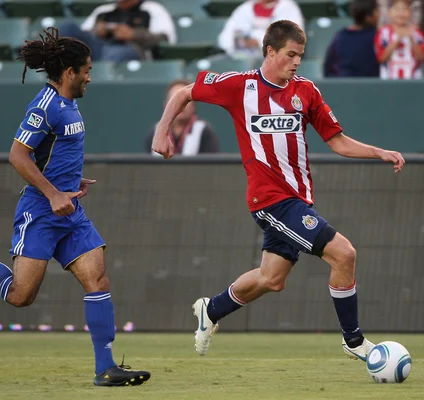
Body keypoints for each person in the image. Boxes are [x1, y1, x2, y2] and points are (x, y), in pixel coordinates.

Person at [152, 20, 406, 360]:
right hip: (270, 200)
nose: (296, 61)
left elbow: (337, 142)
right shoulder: (239, 86)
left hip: (297, 198)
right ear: (270, 51)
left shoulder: (307, 92)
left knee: (272, 279)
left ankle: (211, 310)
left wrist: (379, 151)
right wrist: (162, 132)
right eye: (290, 54)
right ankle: (355, 341)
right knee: (344, 253)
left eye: (300, 55)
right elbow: (184, 92)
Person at [0, 28, 151, 387]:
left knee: (98, 279)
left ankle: (106, 367)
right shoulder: (44, 106)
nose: (90, 77)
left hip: (69, 210)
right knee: (20, 296)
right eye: (87, 71)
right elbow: (18, 155)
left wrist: (70, 182)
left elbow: (54, 154)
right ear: (69, 73)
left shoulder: (70, 104)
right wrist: (52, 193)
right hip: (42, 213)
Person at [59, 0, 176, 62]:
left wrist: (133, 34)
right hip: (99, 49)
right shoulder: (103, 11)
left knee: (115, 53)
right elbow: (83, 34)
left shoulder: (152, 9)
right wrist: (97, 31)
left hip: (133, 50)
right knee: (69, 27)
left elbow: (166, 38)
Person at [146, 79, 220, 156]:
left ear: (194, 105)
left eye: (185, 101)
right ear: (166, 105)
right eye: (173, 100)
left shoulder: (204, 131)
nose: (180, 106)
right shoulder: (155, 131)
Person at [218, 0, 304, 63]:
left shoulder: (288, 8)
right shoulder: (244, 8)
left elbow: (291, 39)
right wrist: (241, 42)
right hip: (239, 57)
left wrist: (259, 41)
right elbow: (224, 39)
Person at [324, 0, 380, 78]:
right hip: (353, 86)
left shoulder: (341, 36)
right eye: (376, 11)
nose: (378, 15)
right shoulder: (377, 36)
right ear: (368, 16)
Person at [375, 0, 424, 79]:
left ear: (409, 13)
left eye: (404, 10)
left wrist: (412, 39)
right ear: (389, 13)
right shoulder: (383, 33)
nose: (401, 13)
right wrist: (397, 40)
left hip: (413, 80)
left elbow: (422, 58)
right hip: (389, 80)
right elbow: (382, 58)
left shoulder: (416, 32)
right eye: (397, 10)